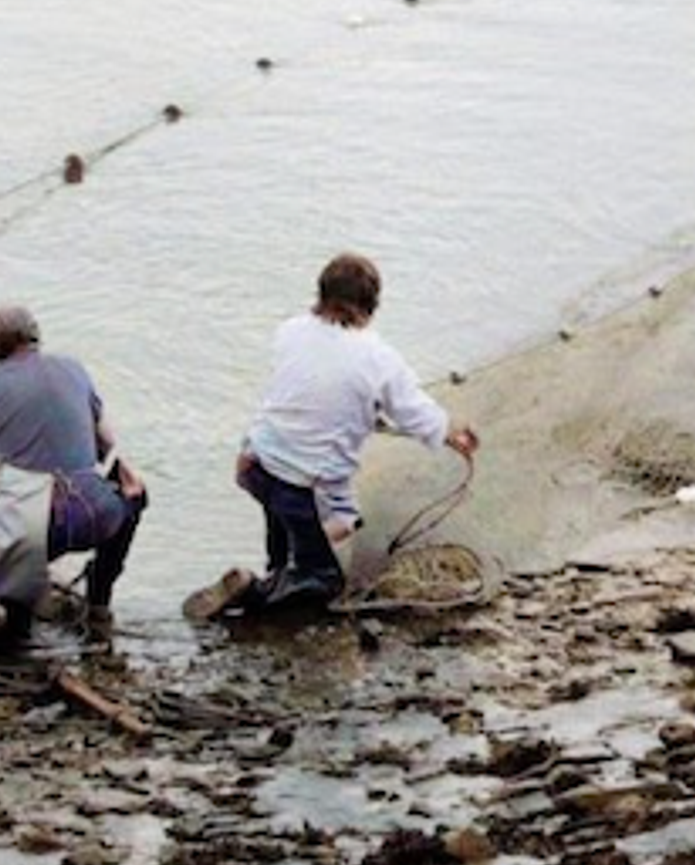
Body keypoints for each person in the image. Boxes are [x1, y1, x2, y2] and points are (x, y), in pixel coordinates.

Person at [188, 253, 478, 619]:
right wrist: (450, 433)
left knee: (283, 518)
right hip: (306, 486)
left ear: (321, 295)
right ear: (367, 309)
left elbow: (300, 394)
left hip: (256, 465)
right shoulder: (377, 358)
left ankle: (278, 570)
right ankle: (256, 593)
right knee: (330, 562)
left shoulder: (290, 331)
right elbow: (413, 409)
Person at [0, 306, 145, 640]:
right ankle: (99, 602)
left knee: (6, 596)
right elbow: (107, 445)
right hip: (97, 517)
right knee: (136, 496)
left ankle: (8, 608)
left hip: (36, 532)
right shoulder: (73, 369)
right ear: (34, 335)